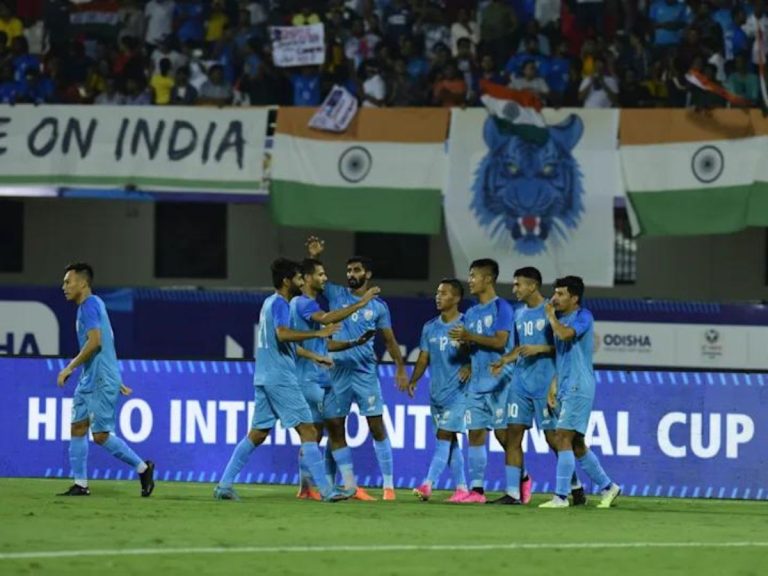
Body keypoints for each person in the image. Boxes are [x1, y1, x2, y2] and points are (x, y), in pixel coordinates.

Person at [213, 258, 347, 502]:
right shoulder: (282, 304)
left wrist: (315, 355)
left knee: (257, 433)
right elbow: (283, 335)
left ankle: (224, 485)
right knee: (308, 430)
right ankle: (327, 491)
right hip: (280, 378)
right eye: (297, 278)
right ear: (287, 281)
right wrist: (318, 332)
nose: (300, 282)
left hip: (263, 376)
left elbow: (280, 343)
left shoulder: (268, 304)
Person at [307, 237, 409, 501]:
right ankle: (333, 485)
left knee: (377, 427)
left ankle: (389, 487)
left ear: (368, 274)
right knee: (334, 427)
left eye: (357, 271)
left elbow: (389, 339)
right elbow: (314, 279)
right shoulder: (335, 294)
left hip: (365, 375)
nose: (351, 275)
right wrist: (315, 255)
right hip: (337, 373)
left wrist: (399, 367)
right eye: (349, 271)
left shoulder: (378, 307)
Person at [56, 263, 155, 497]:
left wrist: (69, 367)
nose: (64, 287)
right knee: (78, 427)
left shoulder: (90, 305)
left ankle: (143, 469)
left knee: (100, 436)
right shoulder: (91, 306)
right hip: (93, 377)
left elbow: (96, 342)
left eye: (68, 281)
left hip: (99, 379)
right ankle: (80, 484)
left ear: (82, 282)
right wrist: (113, 374)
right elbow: (108, 341)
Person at [490, 268, 585, 506]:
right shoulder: (518, 314)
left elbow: (564, 347)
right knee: (512, 435)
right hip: (520, 384)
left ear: (532, 286)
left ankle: (575, 487)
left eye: (518, 285)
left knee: (554, 440)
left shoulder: (552, 312)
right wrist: (504, 360)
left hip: (545, 384)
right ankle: (513, 493)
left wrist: (540, 349)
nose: (514, 290)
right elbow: (519, 348)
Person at [291, 258, 380, 500]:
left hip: (323, 378)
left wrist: (353, 343)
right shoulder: (303, 304)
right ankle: (311, 487)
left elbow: (324, 341)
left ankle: (346, 486)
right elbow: (327, 319)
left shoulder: (309, 304)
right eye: (320, 274)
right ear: (308, 279)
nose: (324, 278)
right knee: (318, 432)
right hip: (309, 379)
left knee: (332, 430)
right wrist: (361, 303)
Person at [539, 276, 621, 509]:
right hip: (565, 385)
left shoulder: (583, 316)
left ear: (574, 298)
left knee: (562, 436)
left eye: (561, 294)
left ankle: (561, 497)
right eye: (554, 293)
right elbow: (562, 356)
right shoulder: (560, 320)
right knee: (576, 444)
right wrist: (554, 383)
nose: (554, 298)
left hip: (579, 385)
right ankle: (608, 487)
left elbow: (566, 336)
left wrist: (550, 317)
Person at [448, 259, 513, 504]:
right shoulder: (472, 313)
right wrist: (464, 346)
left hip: (500, 381)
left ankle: (522, 480)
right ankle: (477, 491)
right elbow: (471, 344)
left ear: (488, 279)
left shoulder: (502, 308)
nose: (470, 280)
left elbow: (499, 342)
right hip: (476, 382)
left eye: (474, 275)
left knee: (504, 437)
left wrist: (469, 336)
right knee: (474, 434)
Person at [407, 279, 470, 503]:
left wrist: (470, 365)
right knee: (450, 442)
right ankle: (462, 488)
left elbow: (481, 352)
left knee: (444, 437)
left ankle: (427, 484)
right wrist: (413, 380)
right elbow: (424, 357)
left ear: (456, 298)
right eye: (437, 292)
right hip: (437, 394)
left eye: (443, 293)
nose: (438, 296)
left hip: (459, 393)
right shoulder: (430, 327)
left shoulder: (466, 324)